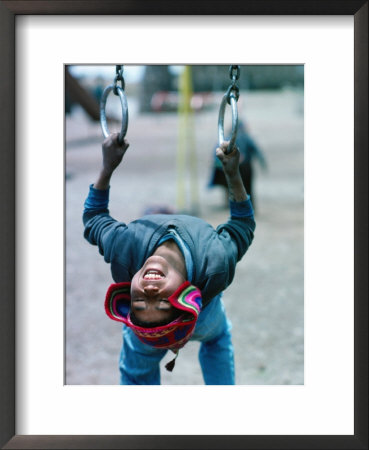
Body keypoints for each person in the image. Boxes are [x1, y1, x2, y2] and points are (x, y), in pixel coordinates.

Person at [83, 132, 255, 385]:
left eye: (139, 301)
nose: (150, 289)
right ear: (188, 295)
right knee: (216, 338)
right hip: (202, 318)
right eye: (161, 301)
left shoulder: (124, 250)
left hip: (145, 335)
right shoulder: (215, 262)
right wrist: (233, 174)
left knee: (137, 369)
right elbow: (243, 224)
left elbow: (94, 217)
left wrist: (107, 167)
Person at [209, 120, 266, 210]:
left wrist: (218, 165)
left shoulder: (228, 139)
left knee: (233, 187)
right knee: (248, 188)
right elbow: (257, 151)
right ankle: (251, 207)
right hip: (247, 167)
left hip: (235, 166)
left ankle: (233, 206)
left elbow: (217, 153)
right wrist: (263, 163)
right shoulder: (247, 137)